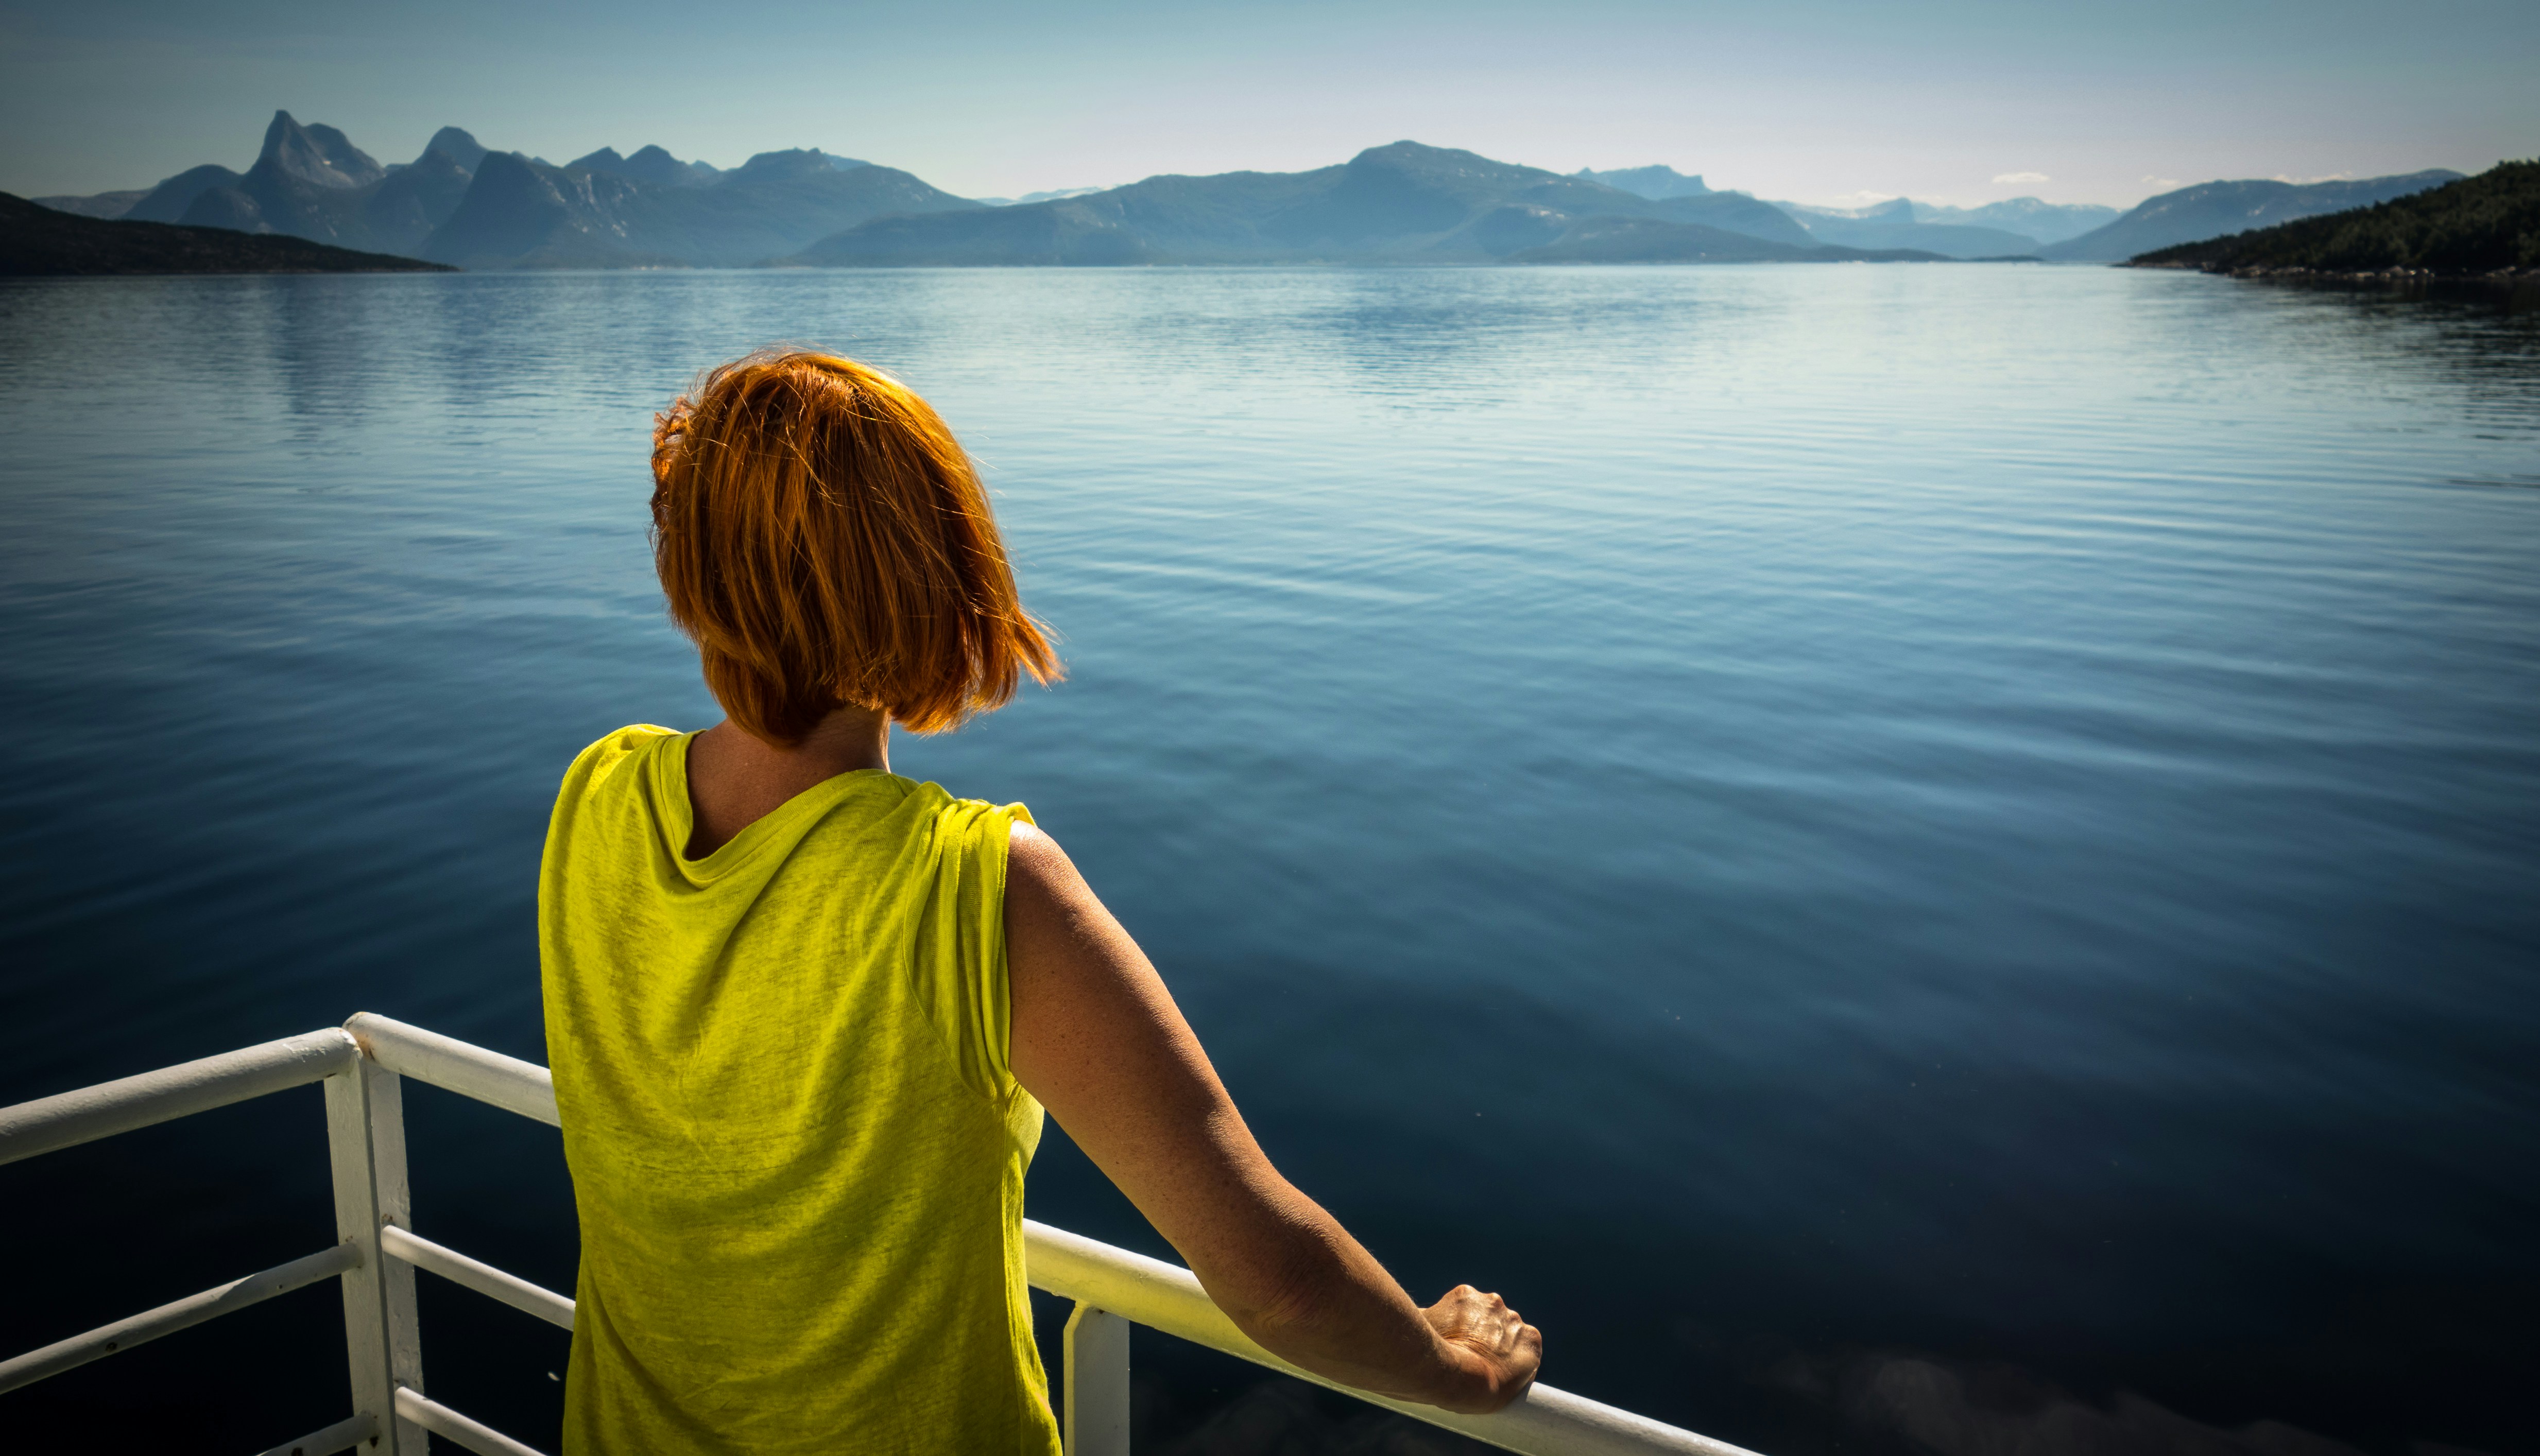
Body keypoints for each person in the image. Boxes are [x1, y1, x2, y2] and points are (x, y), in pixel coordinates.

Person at [538, 349, 1540, 1454]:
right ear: (938, 573)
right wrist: (1460, 1371)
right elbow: (1280, 1283)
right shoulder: (972, 883)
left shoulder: (599, 793)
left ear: (694, 572)